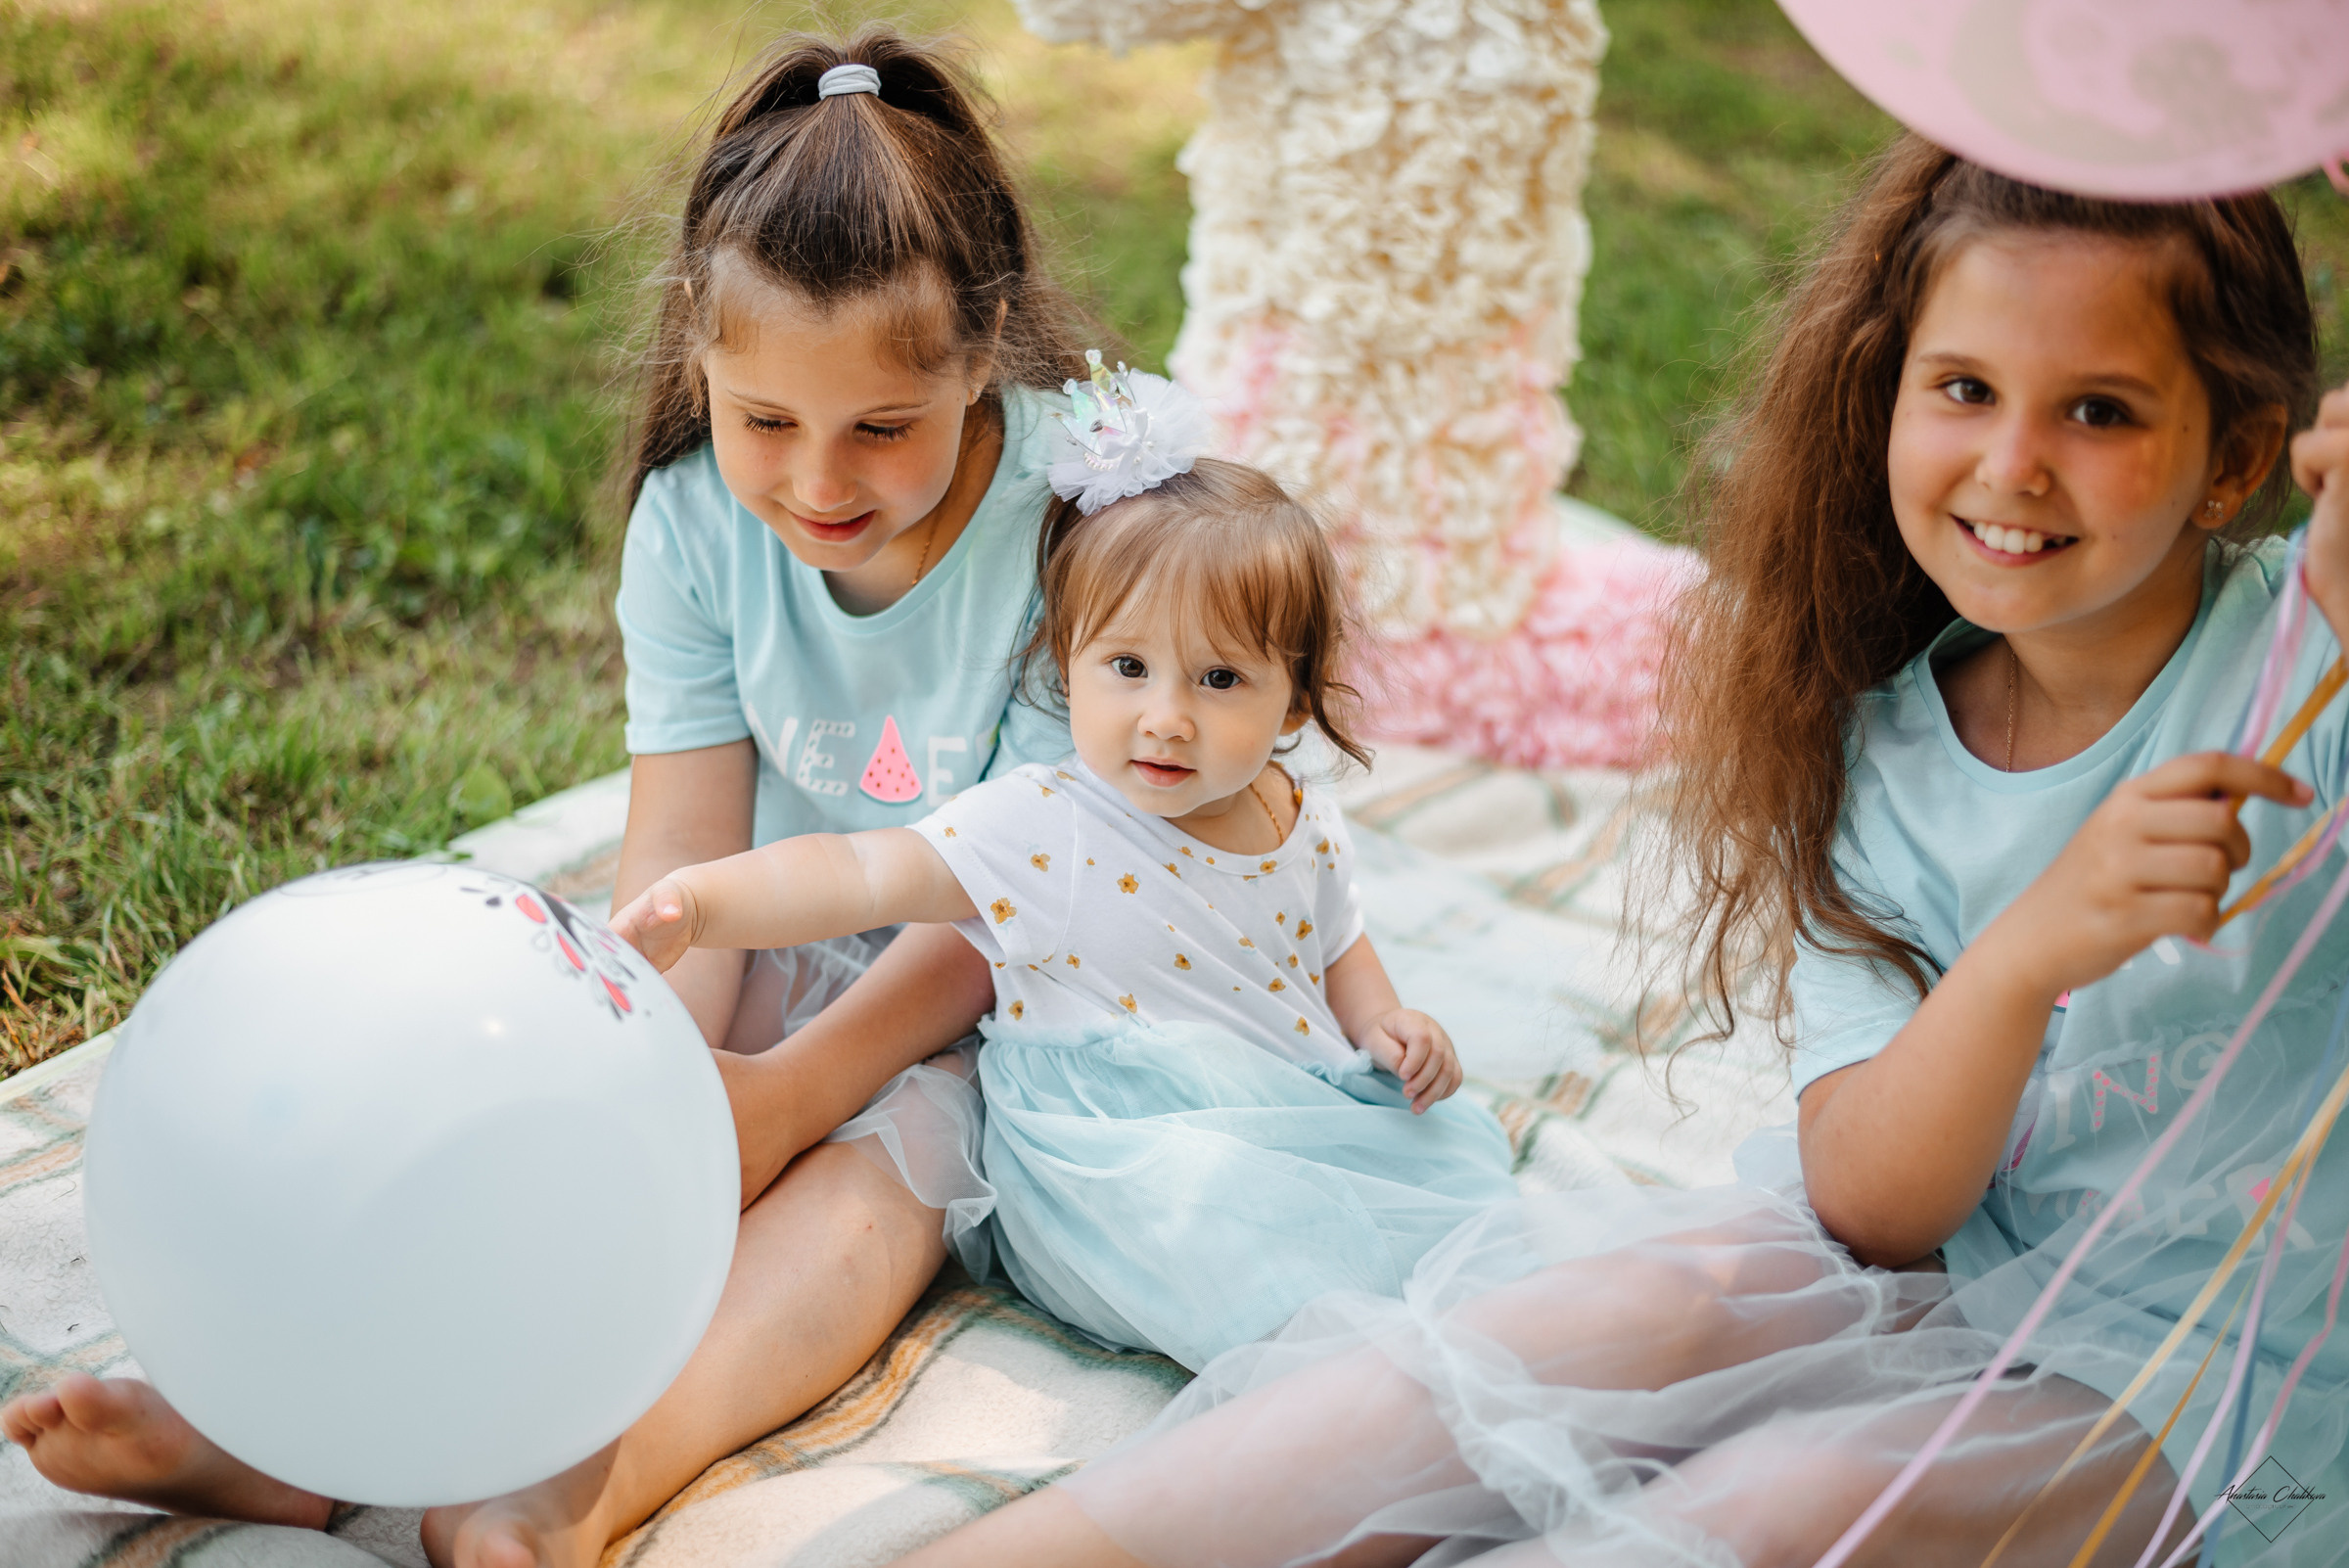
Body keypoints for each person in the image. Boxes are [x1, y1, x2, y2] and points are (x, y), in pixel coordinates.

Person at [882, 138, 2349, 1567]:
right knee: (1579, 1330)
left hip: (2229, 1368)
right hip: (1951, 1252)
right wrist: (2032, 951)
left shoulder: (2309, 661)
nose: (2016, 463)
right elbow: (1880, 1202)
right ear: (1888, 394)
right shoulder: (1886, 737)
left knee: (1782, 1504)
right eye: (1965, 388)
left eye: (2100, 412)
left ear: (2229, 462)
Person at [1, 27, 1101, 1568]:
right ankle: (302, 1432)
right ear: (702, 361)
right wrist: (650, 1060)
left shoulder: (1076, 526)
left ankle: (576, 1483)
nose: (818, 481)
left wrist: (792, 1098)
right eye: (765, 421)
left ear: (983, 351)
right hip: (761, 917)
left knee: (869, 1196)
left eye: (882, 429)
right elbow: (687, 841)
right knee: (544, 1114)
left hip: (1003, 987)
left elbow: (1034, 888)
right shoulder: (693, 520)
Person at [613, 365, 1519, 1373]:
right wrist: (703, 901)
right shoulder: (1047, 823)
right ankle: (1323, 1353)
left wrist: (1384, 1022)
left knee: (1439, 1201)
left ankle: (1388, 1323)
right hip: (1112, 1157)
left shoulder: (1295, 814)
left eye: (1220, 680)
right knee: (1252, 1250)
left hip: (1264, 1098)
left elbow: (1337, 937)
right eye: (1128, 669)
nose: (1166, 716)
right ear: (1068, 661)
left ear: (1296, 702)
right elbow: (859, 873)